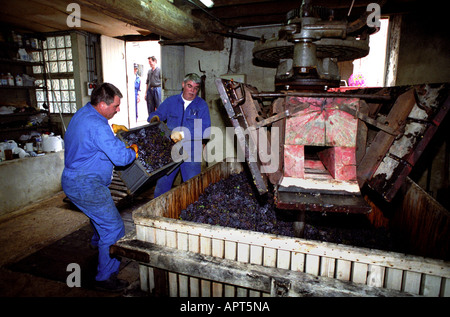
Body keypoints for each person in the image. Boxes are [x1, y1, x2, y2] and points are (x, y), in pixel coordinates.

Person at [61, 83, 138, 292]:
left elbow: (92, 141)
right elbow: (121, 158)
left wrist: (110, 136)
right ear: (102, 105)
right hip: (86, 184)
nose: (117, 109)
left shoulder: (84, 113)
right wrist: (133, 150)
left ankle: (98, 242)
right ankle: (105, 277)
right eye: (115, 106)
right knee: (114, 228)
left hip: (73, 179)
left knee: (100, 217)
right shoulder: (98, 125)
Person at [148, 73, 211, 198]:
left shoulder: (201, 105)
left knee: (193, 187)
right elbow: (157, 114)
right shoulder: (171, 101)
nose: (192, 91)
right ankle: (156, 214)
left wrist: (183, 134)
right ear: (183, 84)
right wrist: (155, 118)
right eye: (189, 86)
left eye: (195, 88)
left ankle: (192, 214)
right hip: (170, 149)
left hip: (192, 150)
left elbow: (205, 130)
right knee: (162, 185)